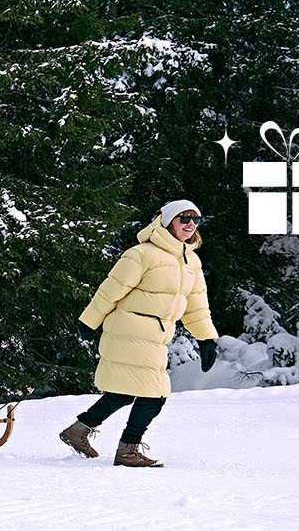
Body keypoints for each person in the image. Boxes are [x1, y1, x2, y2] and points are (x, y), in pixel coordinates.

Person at [60, 200, 220, 468]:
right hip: (129, 329)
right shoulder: (141, 254)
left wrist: (206, 339)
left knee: (124, 392)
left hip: (156, 334)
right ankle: (127, 450)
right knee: (154, 395)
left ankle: (78, 430)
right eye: (184, 218)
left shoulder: (191, 261)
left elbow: (196, 306)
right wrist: (88, 321)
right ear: (168, 221)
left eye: (196, 219)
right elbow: (111, 290)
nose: (190, 224)